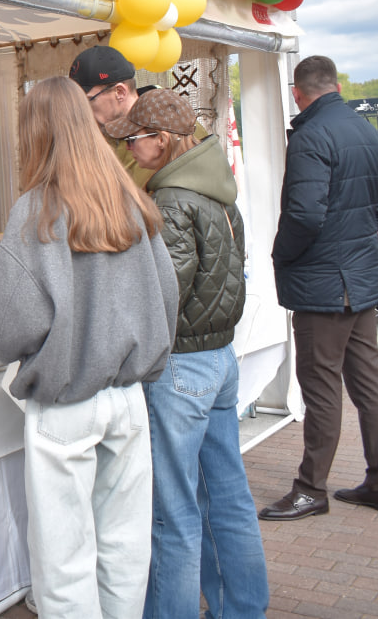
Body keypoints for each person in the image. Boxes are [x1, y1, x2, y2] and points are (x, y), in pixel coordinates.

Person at [0, 76, 178, 618]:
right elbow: (167, 297)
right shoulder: (131, 200)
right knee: (125, 550)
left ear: (34, 134)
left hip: (65, 406)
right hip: (129, 401)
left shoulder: (36, 210)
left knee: (64, 567)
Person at [104, 89, 269, 618]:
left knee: (172, 513)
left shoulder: (172, 198)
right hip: (219, 358)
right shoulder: (219, 189)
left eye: (135, 139)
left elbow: (161, 295)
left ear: (162, 139)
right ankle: (242, 609)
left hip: (179, 366)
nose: (131, 149)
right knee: (228, 498)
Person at [260, 55, 378, 521]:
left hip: (325, 281)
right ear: (335, 86)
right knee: (367, 383)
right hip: (359, 276)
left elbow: (304, 214)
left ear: (298, 93)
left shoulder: (311, 136)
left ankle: (310, 488)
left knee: (320, 387)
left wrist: (283, 254)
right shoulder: (366, 131)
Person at [68, 44, 153, 187]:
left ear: (120, 92)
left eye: (88, 100)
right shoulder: (92, 138)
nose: (83, 110)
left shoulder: (172, 126)